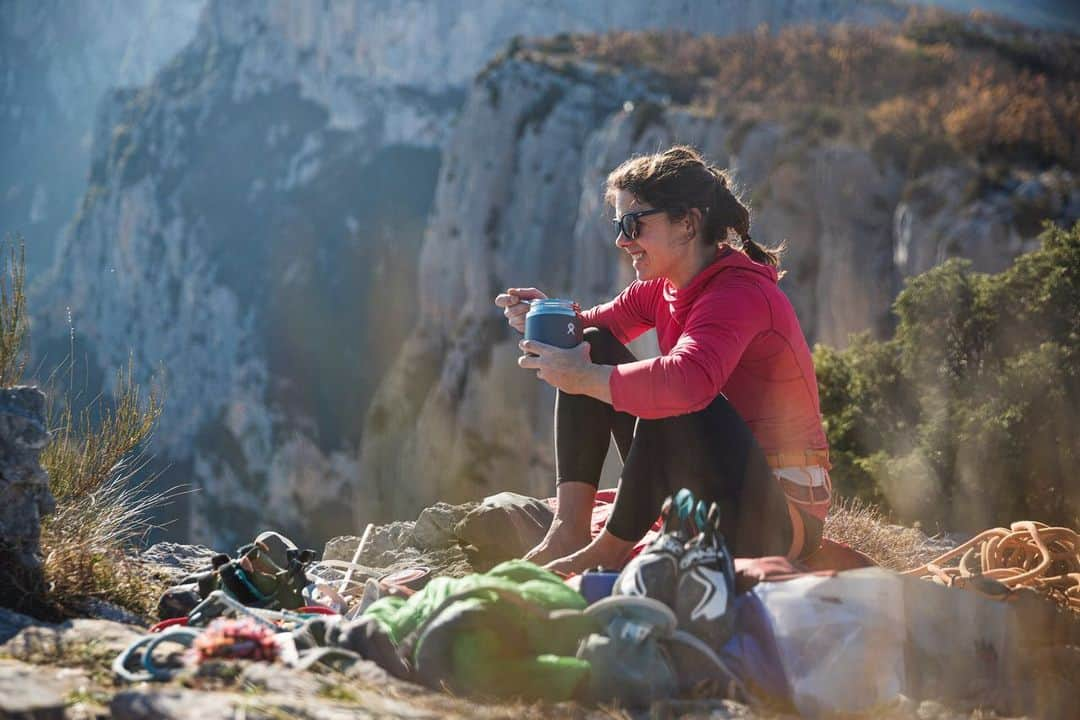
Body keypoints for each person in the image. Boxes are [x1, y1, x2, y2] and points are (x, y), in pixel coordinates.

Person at [493, 146, 831, 576]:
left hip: (776, 519)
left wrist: (586, 377)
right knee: (595, 345)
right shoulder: (663, 286)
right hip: (705, 487)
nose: (621, 240)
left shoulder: (738, 294)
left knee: (673, 391)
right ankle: (569, 529)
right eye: (618, 225)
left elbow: (685, 383)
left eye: (633, 224)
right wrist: (542, 320)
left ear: (687, 224)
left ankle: (609, 552)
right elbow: (585, 333)